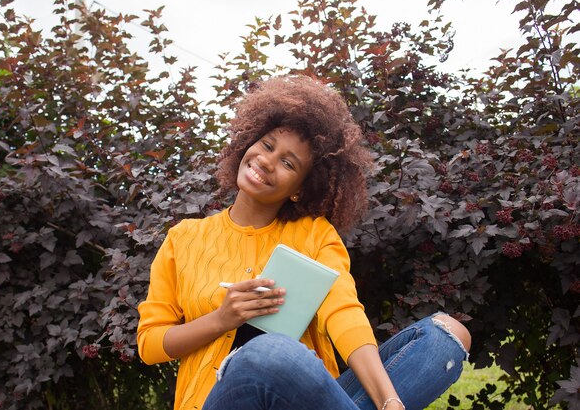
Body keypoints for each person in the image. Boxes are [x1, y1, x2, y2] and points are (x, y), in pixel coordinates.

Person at [137, 75, 471, 410]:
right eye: (267, 146)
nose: (267, 161)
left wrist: (390, 400)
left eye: (288, 163)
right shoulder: (184, 239)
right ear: (248, 144)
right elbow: (149, 344)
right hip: (219, 399)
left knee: (446, 336)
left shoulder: (315, 234)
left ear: (299, 187)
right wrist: (221, 319)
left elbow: (343, 313)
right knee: (269, 351)